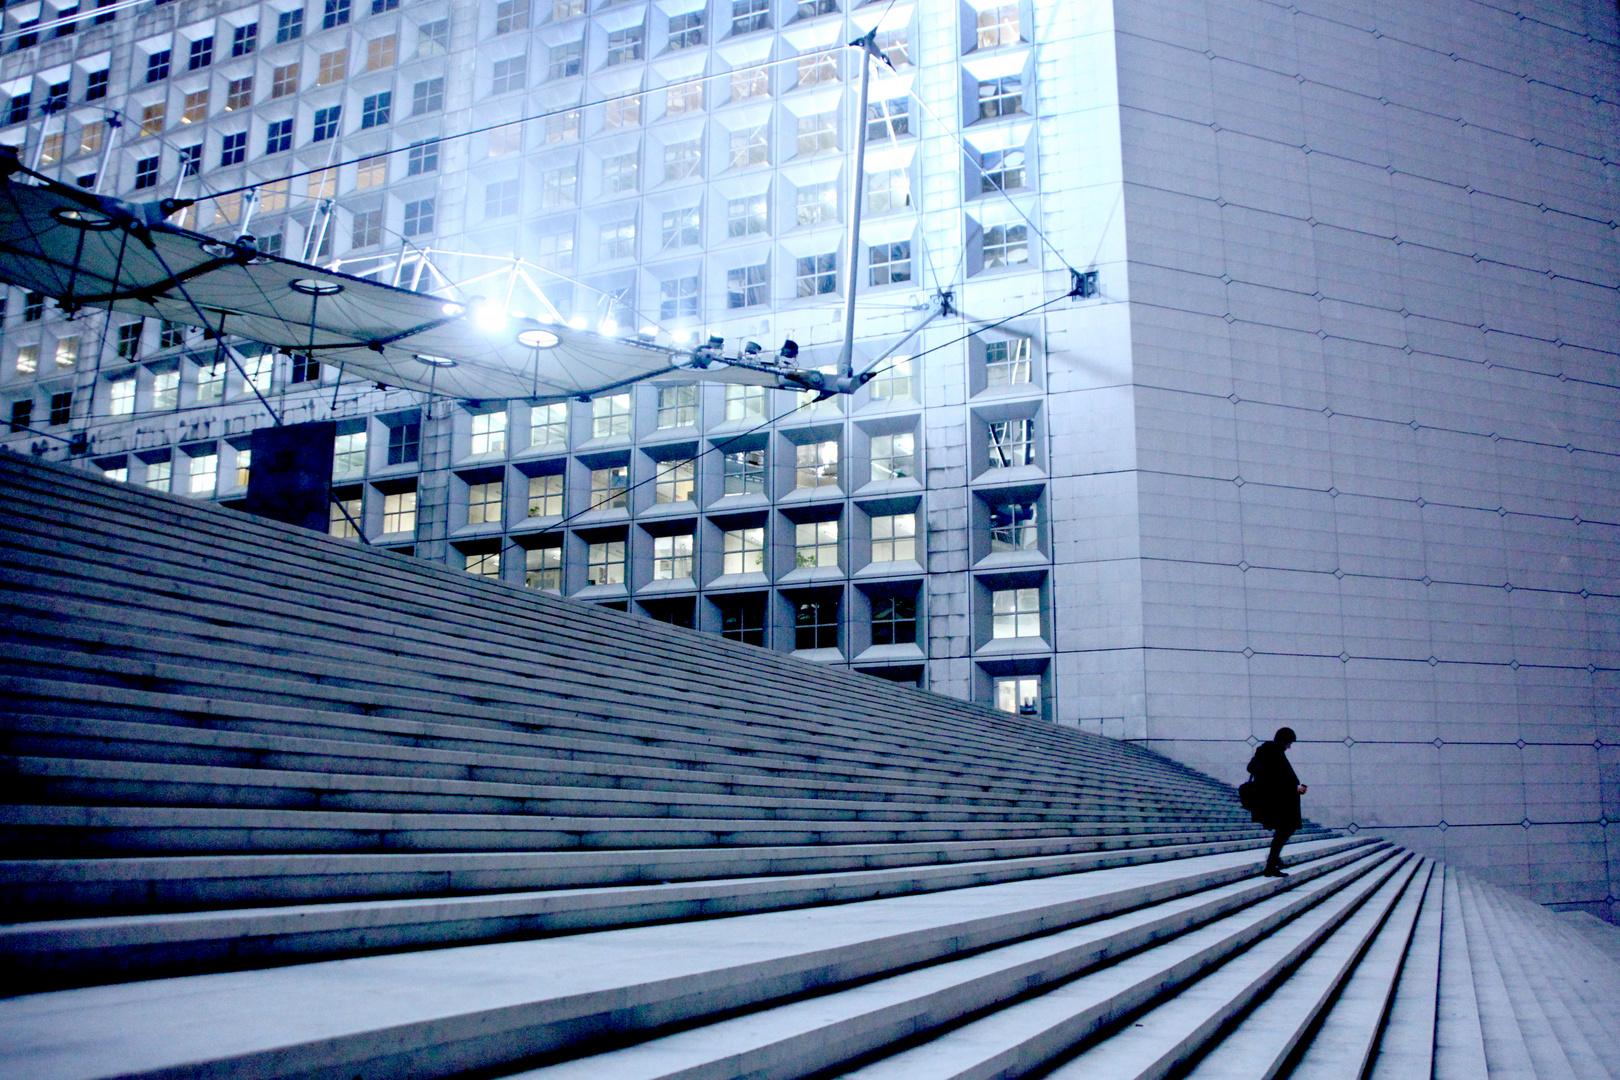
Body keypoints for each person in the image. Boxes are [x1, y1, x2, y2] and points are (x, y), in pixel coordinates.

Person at [1248, 726, 1307, 876]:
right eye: (1288, 743)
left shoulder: (1269, 752)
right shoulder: (1273, 754)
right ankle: (1271, 863)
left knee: (1284, 829)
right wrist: (1294, 787)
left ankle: (1273, 859)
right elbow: (1273, 779)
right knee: (1285, 829)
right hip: (1277, 801)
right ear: (1282, 741)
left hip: (1276, 799)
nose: (1289, 746)